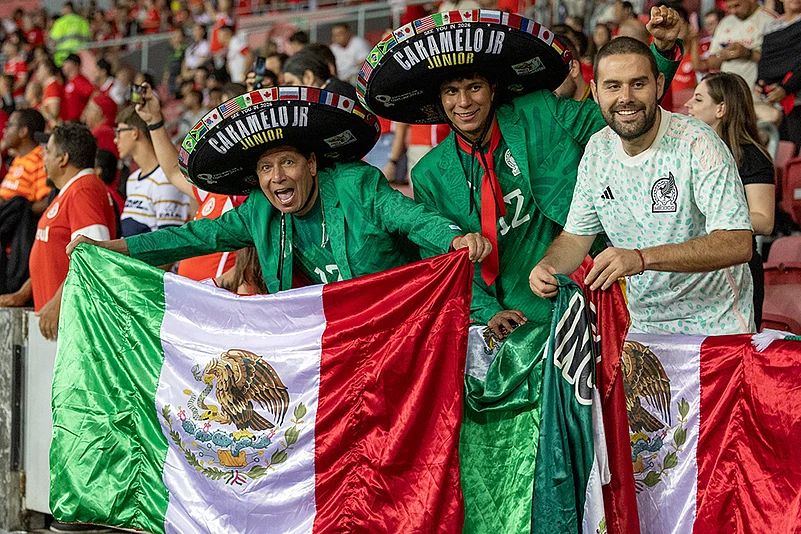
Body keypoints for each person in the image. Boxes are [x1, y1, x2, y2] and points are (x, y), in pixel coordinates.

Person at [362, 8, 682, 532]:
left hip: (580, 305)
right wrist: (490, 312)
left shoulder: (540, 113)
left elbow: (619, 115)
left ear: (493, 88)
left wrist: (663, 55)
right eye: (451, 93)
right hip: (504, 324)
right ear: (438, 102)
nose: (463, 103)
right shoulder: (430, 173)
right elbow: (444, 265)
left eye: (473, 88)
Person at [68, 88, 492, 293]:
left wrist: (454, 238)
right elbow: (192, 237)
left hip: (391, 326)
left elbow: (412, 217)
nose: (277, 178)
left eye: (288, 162)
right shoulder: (258, 210)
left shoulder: (356, 184)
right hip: (326, 343)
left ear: (311, 163)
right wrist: (113, 248)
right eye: (266, 168)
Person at [530, 37, 754, 335]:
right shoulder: (597, 151)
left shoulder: (698, 143)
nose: (625, 97)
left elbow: (738, 242)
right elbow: (575, 238)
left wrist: (641, 258)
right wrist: (548, 266)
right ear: (595, 92)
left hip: (716, 325)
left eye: (638, 84)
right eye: (613, 86)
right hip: (643, 328)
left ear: (659, 86)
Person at [5, 122, 116, 340]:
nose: (43, 158)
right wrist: (24, 293)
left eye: (47, 152)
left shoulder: (84, 190)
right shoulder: (72, 190)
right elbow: (54, 251)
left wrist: (57, 304)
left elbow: (92, 259)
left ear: (63, 159)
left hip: (72, 323)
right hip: (58, 320)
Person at [684, 72, 774, 329]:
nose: (688, 104)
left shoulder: (752, 156)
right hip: (699, 266)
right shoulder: (689, 152)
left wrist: (709, 217)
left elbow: (765, 220)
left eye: (699, 99)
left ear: (721, 108)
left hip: (739, 268)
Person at [114, 106, 190, 237]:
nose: (115, 139)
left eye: (119, 132)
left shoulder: (165, 179)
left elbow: (169, 241)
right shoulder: (132, 179)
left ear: (134, 132)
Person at [0, 109, 50, 296]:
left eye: (9, 125)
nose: (4, 131)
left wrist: (19, 207)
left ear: (23, 131)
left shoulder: (40, 160)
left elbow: (46, 201)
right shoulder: (18, 161)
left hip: (20, 254)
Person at [705, 0, 776, 118]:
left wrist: (747, 53)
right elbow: (711, 62)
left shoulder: (770, 21)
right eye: (729, 8)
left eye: (737, 6)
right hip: (728, 99)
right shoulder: (726, 22)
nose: (733, 11)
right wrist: (724, 55)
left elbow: (776, 61)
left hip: (759, 99)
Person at [281, 50, 357, 100]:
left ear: (308, 77)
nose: (288, 90)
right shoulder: (337, 88)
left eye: (290, 84)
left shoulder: (330, 99)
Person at [48, 2, 91, 66]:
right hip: (80, 56)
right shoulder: (83, 21)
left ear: (68, 8)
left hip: (62, 55)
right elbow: (88, 39)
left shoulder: (60, 22)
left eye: (63, 8)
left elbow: (53, 41)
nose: (61, 10)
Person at [60, 54, 94, 122]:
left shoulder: (80, 81)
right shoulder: (69, 81)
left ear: (75, 65)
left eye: (66, 62)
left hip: (77, 122)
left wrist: (86, 112)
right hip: (68, 121)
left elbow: (94, 94)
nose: (63, 65)